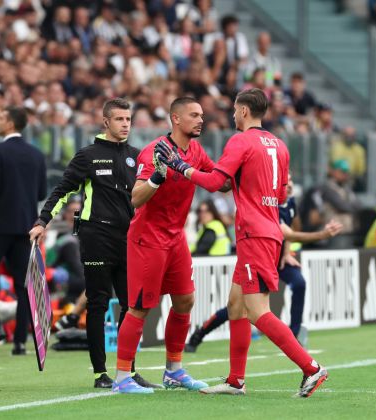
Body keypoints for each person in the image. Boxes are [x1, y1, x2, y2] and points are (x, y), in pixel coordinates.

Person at [157, 88, 328, 398]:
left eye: (235, 110)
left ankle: (311, 368)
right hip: (269, 230)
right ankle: (236, 381)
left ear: (245, 111)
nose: (233, 115)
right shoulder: (279, 144)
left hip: (253, 233)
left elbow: (212, 183)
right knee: (236, 306)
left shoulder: (240, 140)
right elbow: (278, 196)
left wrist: (181, 167)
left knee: (257, 311)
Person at [29, 98, 156, 390]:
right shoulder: (88, 156)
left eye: (129, 119)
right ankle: (101, 374)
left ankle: (128, 371)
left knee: (131, 305)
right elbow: (62, 190)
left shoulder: (137, 156)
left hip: (129, 239)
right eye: (120, 119)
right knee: (98, 303)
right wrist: (42, 221)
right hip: (96, 236)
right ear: (106, 122)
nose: (126, 124)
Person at [111, 97, 219, 394]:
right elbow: (135, 198)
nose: (200, 120)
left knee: (185, 301)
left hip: (176, 238)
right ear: (175, 118)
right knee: (140, 308)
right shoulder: (154, 152)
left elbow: (216, 180)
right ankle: (121, 378)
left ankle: (173, 371)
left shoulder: (195, 150)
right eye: (194, 115)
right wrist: (158, 176)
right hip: (149, 238)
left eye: (201, 115)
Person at [186, 176, 343, 352]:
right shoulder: (269, 204)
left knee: (299, 283)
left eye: (291, 180)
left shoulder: (290, 203)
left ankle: (295, 334)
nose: (289, 184)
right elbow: (286, 232)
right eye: (286, 180)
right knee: (238, 306)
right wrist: (322, 235)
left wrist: (286, 252)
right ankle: (200, 333)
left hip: (277, 259)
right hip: (259, 259)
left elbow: (288, 230)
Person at [0, 106, 47, 356]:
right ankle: (20, 342)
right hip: (25, 225)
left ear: (12, 123)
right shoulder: (36, 154)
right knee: (23, 284)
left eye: (2, 118)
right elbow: (40, 193)